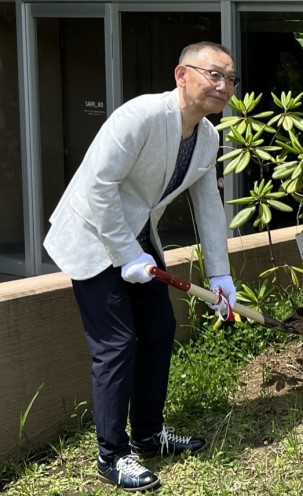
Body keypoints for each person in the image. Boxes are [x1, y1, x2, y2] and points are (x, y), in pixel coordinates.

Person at [43, 41, 239, 492]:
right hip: (94, 236)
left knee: (158, 329)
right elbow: (99, 184)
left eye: (230, 78)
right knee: (116, 344)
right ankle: (111, 455)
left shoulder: (206, 137)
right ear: (181, 74)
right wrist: (125, 255)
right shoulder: (141, 116)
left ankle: (149, 434)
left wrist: (221, 275)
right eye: (213, 74)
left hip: (137, 242)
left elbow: (208, 204)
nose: (223, 85)